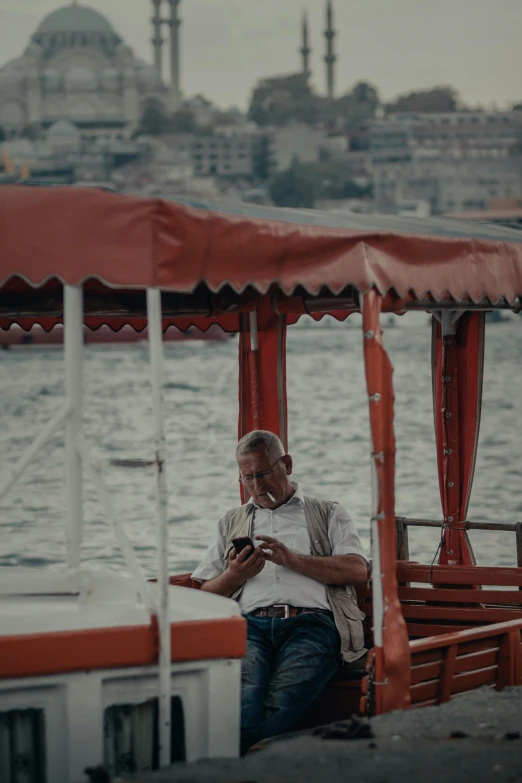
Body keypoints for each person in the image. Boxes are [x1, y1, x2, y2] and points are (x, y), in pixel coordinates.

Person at [191, 430, 369, 753]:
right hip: (250, 629)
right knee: (244, 702)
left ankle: (234, 762)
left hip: (311, 627)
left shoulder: (327, 513)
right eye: (248, 478)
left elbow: (357, 569)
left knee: (281, 701)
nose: (257, 486)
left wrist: (295, 560)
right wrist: (233, 575)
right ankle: (250, 759)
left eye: (263, 473)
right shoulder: (231, 522)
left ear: (286, 464)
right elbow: (204, 594)